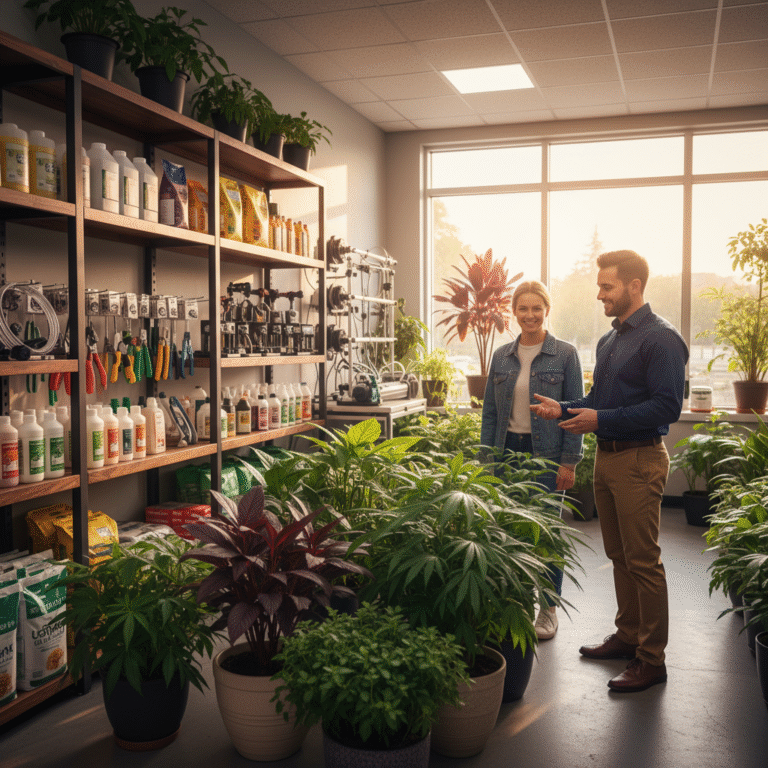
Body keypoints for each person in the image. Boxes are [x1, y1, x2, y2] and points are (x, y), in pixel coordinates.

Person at [531, 250, 688, 693]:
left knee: (643, 562)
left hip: (640, 459)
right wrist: (562, 408)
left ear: (634, 285)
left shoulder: (661, 340)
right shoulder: (610, 340)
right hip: (607, 458)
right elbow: (599, 398)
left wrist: (599, 420)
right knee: (619, 557)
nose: (600, 294)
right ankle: (628, 636)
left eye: (607, 287)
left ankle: (651, 659)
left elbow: (666, 406)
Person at [480, 280, 584, 640]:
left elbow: (575, 413)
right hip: (507, 452)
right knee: (508, 530)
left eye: (536, 308)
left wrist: (570, 461)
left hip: (547, 457)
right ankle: (517, 603)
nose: (529, 315)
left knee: (545, 534)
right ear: (514, 312)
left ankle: (548, 609)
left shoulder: (566, 355)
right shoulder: (501, 357)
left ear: (547, 310)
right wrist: (486, 461)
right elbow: (490, 415)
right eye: (522, 309)